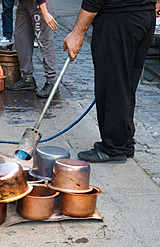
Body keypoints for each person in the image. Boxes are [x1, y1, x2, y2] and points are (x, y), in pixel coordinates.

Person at [63, 0, 159, 163]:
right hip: (144, 16)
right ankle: (123, 142)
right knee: (126, 84)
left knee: (113, 84)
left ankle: (114, 148)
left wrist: (78, 33)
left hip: (119, 19)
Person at [6, 0, 59, 98]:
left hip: (39, 3)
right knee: (21, 37)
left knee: (43, 39)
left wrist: (45, 12)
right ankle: (27, 78)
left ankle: (51, 81)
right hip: (23, 3)